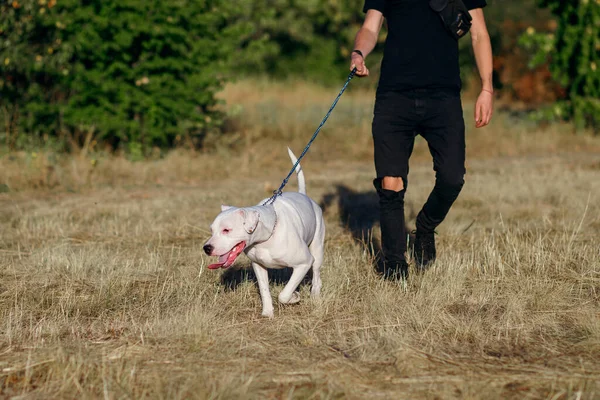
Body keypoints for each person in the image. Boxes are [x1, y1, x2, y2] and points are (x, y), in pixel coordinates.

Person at [350, 0, 494, 280]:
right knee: (391, 182)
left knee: (452, 178)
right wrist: (358, 53)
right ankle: (394, 266)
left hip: (444, 97)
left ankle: (425, 227)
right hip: (394, 95)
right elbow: (370, 26)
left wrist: (487, 88)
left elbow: (479, 34)